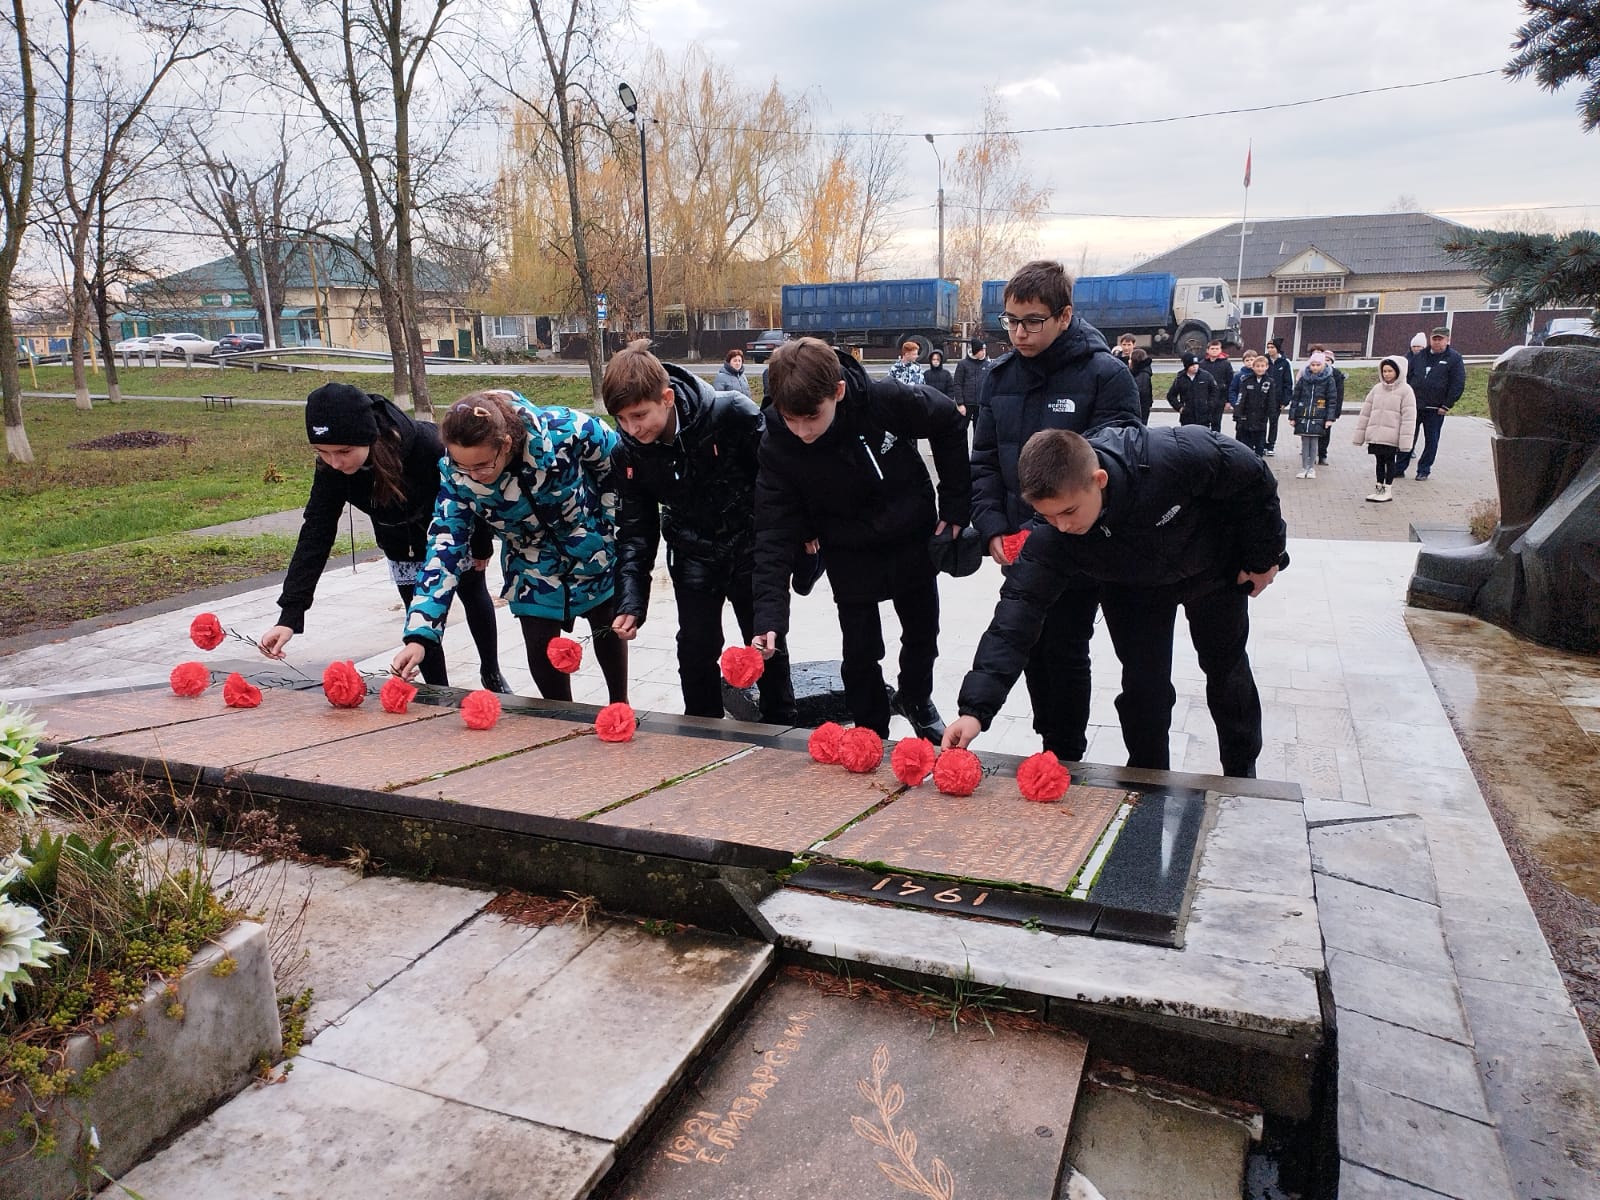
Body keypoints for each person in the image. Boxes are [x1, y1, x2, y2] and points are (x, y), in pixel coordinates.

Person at [944, 425, 1286, 779]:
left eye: (1069, 511)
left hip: (1211, 569)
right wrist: (975, 710)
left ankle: (1242, 770)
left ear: (1099, 479)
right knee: (1144, 687)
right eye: (1049, 516)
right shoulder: (1052, 536)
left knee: (1227, 672)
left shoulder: (1172, 455)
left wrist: (1264, 557)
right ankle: (1149, 776)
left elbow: (1254, 480)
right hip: (1133, 585)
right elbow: (1015, 616)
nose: (1061, 526)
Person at [751, 336, 969, 741]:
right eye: (791, 419)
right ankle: (870, 729)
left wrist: (955, 506)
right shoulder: (778, 445)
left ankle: (916, 699)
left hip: (909, 530)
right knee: (860, 649)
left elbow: (949, 421)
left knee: (923, 632)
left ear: (838, 391)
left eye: (811, 418)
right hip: (847, 545)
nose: (801, 431)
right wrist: (769, 617)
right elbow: (772, 531)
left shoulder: (884, 401)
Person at [970, 259, 1141, 761]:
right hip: (1018, 545)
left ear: (1064, 316)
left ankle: (1065, 751)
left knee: (1064, 647)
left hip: (1076, 543)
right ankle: (1049, 739)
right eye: (1010, 321)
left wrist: (1044, 527)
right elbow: (982, 461)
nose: (1019, 333)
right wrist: (993, 530)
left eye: (1032, 321)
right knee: (1029, 647)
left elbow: (1113, 468)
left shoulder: (1105, 376)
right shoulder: (998, 378)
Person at [260, 382, 506, 692]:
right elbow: (316, 532)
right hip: (398, 541)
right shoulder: (332, 469)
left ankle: (491, 672)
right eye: (322, 452)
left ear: (369, 436)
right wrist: (289, 615)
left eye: (343, 452)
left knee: (473, 594)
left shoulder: (426, 446)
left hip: (451, 535)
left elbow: (472, 494)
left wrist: (482, 544)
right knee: (417, 615)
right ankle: (438, 692)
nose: (334, 462)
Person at [391, 391, 627, 703]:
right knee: (541, 648)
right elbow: (443, 550)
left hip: (592, 547)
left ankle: (621, 706)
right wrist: (420, 636)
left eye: (482, 465)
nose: (474, 476)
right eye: (463, 466)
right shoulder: (456, 477)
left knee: (607, 630)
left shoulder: (565, 430)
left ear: (504, 444)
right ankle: (561, 720)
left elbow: (620, 463)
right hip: (530, 563)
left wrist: (609, 529)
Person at [604, 341, 796, 723]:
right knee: (695, 648)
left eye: (639, 415)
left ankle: (781, 723)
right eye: (622, 419)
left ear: (667, 398)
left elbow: (776, 484)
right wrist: (630, 600)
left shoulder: (732, 414)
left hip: (748, 545)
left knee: (765, 642)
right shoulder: (627, 451)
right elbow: (635, 530)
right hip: (691, 551)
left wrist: (793, 543)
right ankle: (701, 730)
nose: (632, 428)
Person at [1395, 326, 1466, 481]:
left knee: (1431, 440)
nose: (1437, 342)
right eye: (1434, 338)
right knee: (1407, 437)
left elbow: (1457, 383)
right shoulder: (1420, 356)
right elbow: (1407, 377)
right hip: (1414, 406)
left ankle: (1424, 469)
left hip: (1435, 408)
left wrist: (1447, 404)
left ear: (1448, 340)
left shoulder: (1454, 358)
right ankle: (1399, 467)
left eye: (1440, 339)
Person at [1351, 355, 1417, 503]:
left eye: (1390, 371)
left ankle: (1388, 489)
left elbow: (1409, 418)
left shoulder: (1406, 391)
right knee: (1379, 461)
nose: (1387, 374)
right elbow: (1366, 413)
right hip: (1376, 435)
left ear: (1398, 372)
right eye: (1384, 371)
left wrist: (1405, 442)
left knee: (1389, 461)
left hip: (1392, 436)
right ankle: (1378, 487)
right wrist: (1360, 435)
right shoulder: (1377, 389)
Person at [1288, 351, 1337, 479]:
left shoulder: (1329, 380)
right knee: (1304, 442)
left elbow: (1332, 400)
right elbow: (1295, 398)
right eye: (1312, 364)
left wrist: (1329, 418)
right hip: (1303, 415)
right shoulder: (1304, 379)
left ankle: (1311, 468)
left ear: (1323, 365)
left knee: (1314, 442)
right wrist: (1292, 416)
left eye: (1317, 365)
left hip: (1319, 416)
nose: (1314, 367)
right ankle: (1304, 467)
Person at [1232, 351, 1276, 457]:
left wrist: (1272, 415)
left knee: (1260, 444)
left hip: (1261, 418)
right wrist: (1237, 414)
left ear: (1266, 367)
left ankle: (1259, 462)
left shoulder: (1269, 382)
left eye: (1262, 366)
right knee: (1246, 444)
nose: (1260, 369)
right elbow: (1241, 398)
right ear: (1253, 367)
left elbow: (1271, 400)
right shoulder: (1246, 381)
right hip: (1247, 417)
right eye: (1257, 366)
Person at [1167, 352, 1224, 429]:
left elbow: (1215, 391)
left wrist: (1210, 405)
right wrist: (1180, 407)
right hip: (1187, 417)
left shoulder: (1206, 376)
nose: (1195, 367)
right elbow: (1171, 395)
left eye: (1196, 364)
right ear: (1186, 366)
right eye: (1192, 365)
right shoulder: (1180, 378)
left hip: (1204, 416)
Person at [1262, 339, 1294, 456]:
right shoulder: (1264, 360)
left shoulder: (1284, 363)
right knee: (1262, 422)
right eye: (1268, 347)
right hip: (1263, 398)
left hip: (1277, 399)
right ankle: (1262, 444)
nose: (1270, 350)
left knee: (1273, 422)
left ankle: (1271, 445)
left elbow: (1288, 383)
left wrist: (1285, 401)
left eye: (1272, 347)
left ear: (1277, 349)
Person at [951, 336, 990, 427]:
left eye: (984, 349)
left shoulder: (988, 365)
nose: (984, 352)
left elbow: (990, 385)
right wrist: (960, 404)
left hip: (981, 405)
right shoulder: (963, 364)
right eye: (981, 350)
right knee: (961, 430)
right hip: (966, 404)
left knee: (979, 432)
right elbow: (957, 384)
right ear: (976, 350)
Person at [1317, 346, 1346, 466]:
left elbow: (1339, 395)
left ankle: (1322, 455)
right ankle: (1311, 454)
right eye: (1324, 360)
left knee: (1325, 432)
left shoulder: (1337, 374)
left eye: (1329, 360)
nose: (1326, 363)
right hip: (1317, 407)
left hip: (1328, 409)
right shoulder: (1317, 372)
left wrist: (1335, 412)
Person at [1199, 339, 1234, 429]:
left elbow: (1230, 382)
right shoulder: (1202, 364)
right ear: (1207, 350)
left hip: (1220, 398)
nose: (1214, 351)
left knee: (1216, 422)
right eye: (1212, 348)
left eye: (1217, 348)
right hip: (1205, 398)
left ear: (1220, 350)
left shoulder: (1226, 364)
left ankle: (1215, 441)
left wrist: (1228, 401)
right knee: (1204, 422)